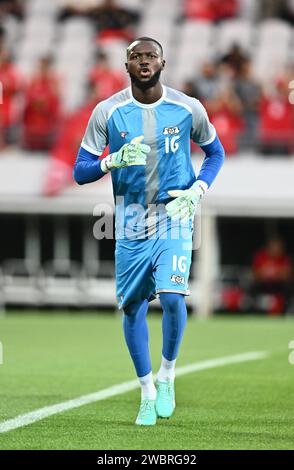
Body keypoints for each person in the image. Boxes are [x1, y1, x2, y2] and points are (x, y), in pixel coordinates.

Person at [73, 37, 225, 425]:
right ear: (126, 66)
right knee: (133, 307)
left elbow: (215, 152)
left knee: (174, 297)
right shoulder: (107, 112)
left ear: (163, 62)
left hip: (175, 215)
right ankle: (146, 391)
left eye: (150, 56)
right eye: (136, 57)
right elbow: (80, 171)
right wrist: (112, 160)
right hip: (130, 221)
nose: (144, 62)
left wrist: (198, 190)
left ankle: (168, 374)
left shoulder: (187, 107)